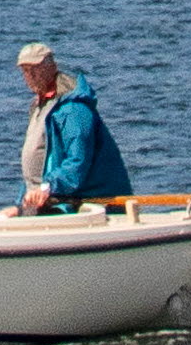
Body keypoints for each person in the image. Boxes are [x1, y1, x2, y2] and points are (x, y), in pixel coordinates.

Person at [11, 37, 134, 216]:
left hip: (86, 203)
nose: (30, 76)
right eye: (25, 71)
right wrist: (20, 204)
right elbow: (38, 168)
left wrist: (48, 187)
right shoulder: (40, 106)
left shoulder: (73, 108)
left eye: (35, 69)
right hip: (50, 197)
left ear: (52, 67)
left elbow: (77, 161)